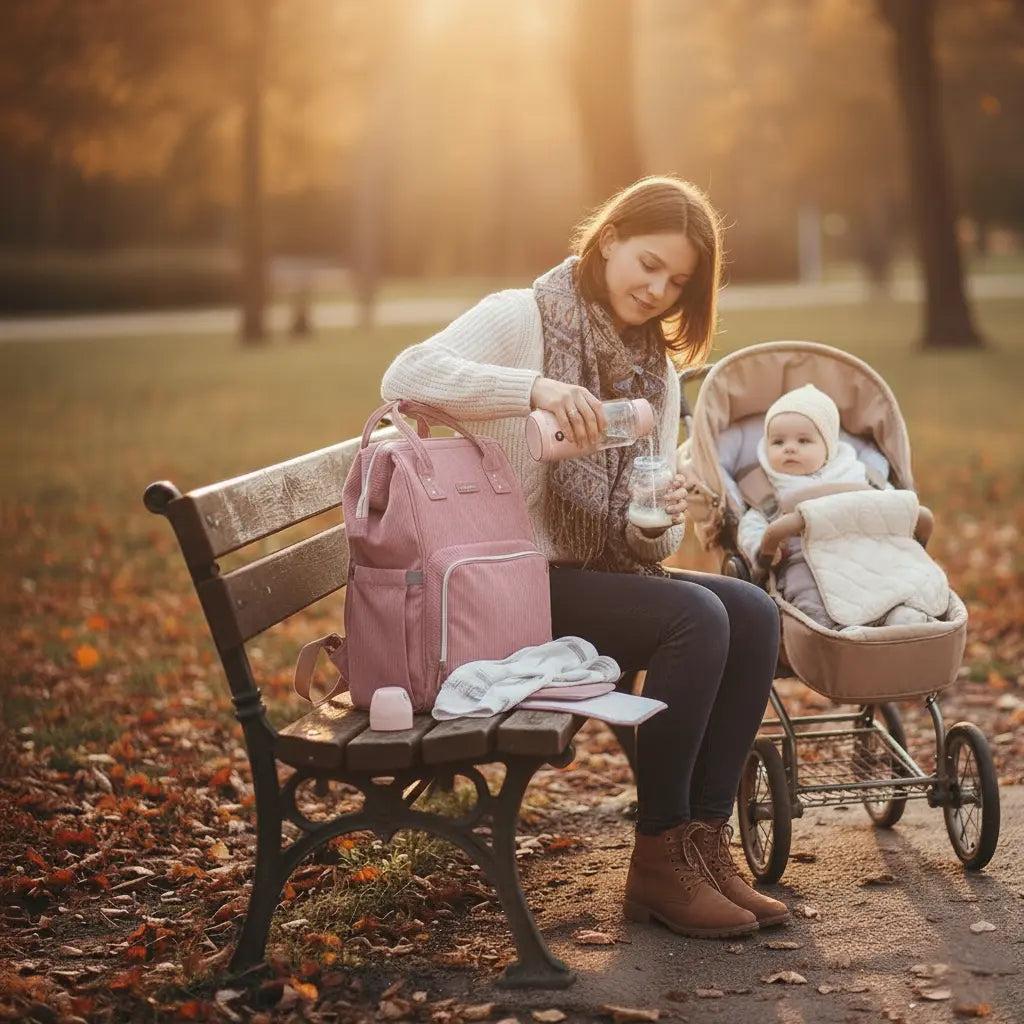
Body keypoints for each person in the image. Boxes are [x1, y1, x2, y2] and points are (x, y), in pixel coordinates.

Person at [381, 175, 787, 938]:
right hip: (507, 587)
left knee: (753, 610)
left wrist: (655, 516)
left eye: (677, 281)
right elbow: (403, 377)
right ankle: (659, 858)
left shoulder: (656, 372)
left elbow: (650, 544)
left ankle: (703, 843)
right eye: (648, 264)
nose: (658, 289)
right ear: (608, 241)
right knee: (695, 616)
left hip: (594, 579)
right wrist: (532, 389)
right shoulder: (522, 317)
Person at [737, 383, 932, 629]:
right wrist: (763, 547)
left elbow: (890, 504)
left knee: (892, 582)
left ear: (828, 446)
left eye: (804, 441)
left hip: (868, 550)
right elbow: (751, 524)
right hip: (803, 560)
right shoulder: (767, 490)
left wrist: (902, 520)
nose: (789, 447)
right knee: (807, 594)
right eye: (777, 442)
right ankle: (832, 632)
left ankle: (900, 617)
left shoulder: (858, 475)